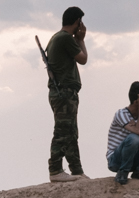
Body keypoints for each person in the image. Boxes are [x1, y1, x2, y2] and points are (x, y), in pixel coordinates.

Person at [46, 6, 88, 183]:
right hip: (64, 92)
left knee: (70, 132)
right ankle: (55, 170)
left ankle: (76, 171)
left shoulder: (56, 37)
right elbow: (83, 59)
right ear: (77, 21)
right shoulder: (65, 38)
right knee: (63, 133)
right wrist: (81, 39)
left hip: (62, 92)